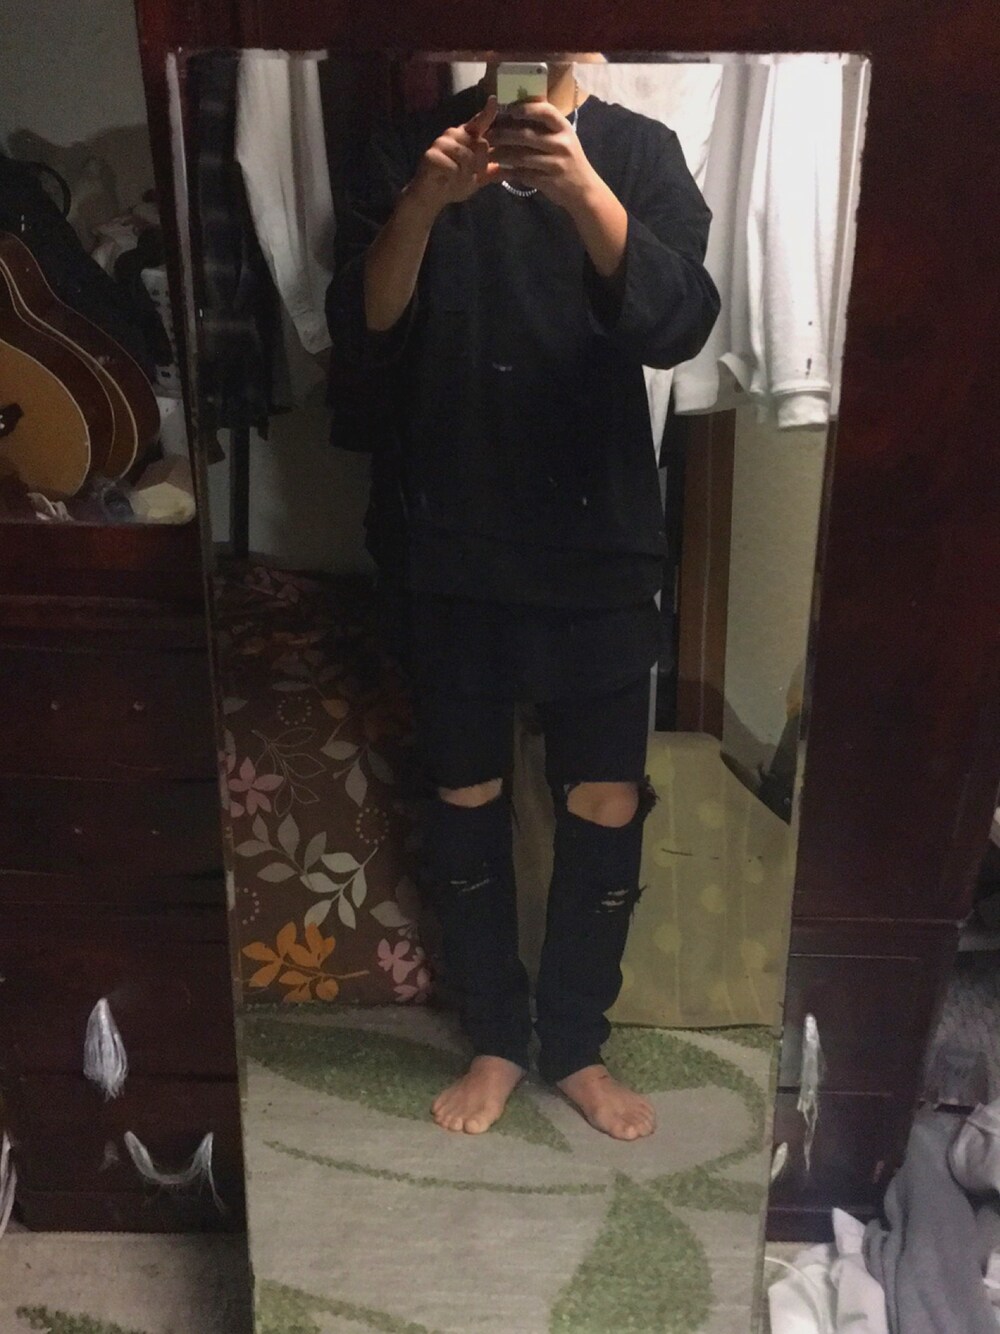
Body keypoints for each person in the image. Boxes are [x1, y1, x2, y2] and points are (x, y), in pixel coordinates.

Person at [326, 54, 720, 1141]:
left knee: (605, 802)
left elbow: (678, 325)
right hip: (446, 537)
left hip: (597, 537)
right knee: (465, 798)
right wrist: (424, 201)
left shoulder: (637, 152)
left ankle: (576, 1043)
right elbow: (362, 327)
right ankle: (497, 1035)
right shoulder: (412, 147)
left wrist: (583, 187)